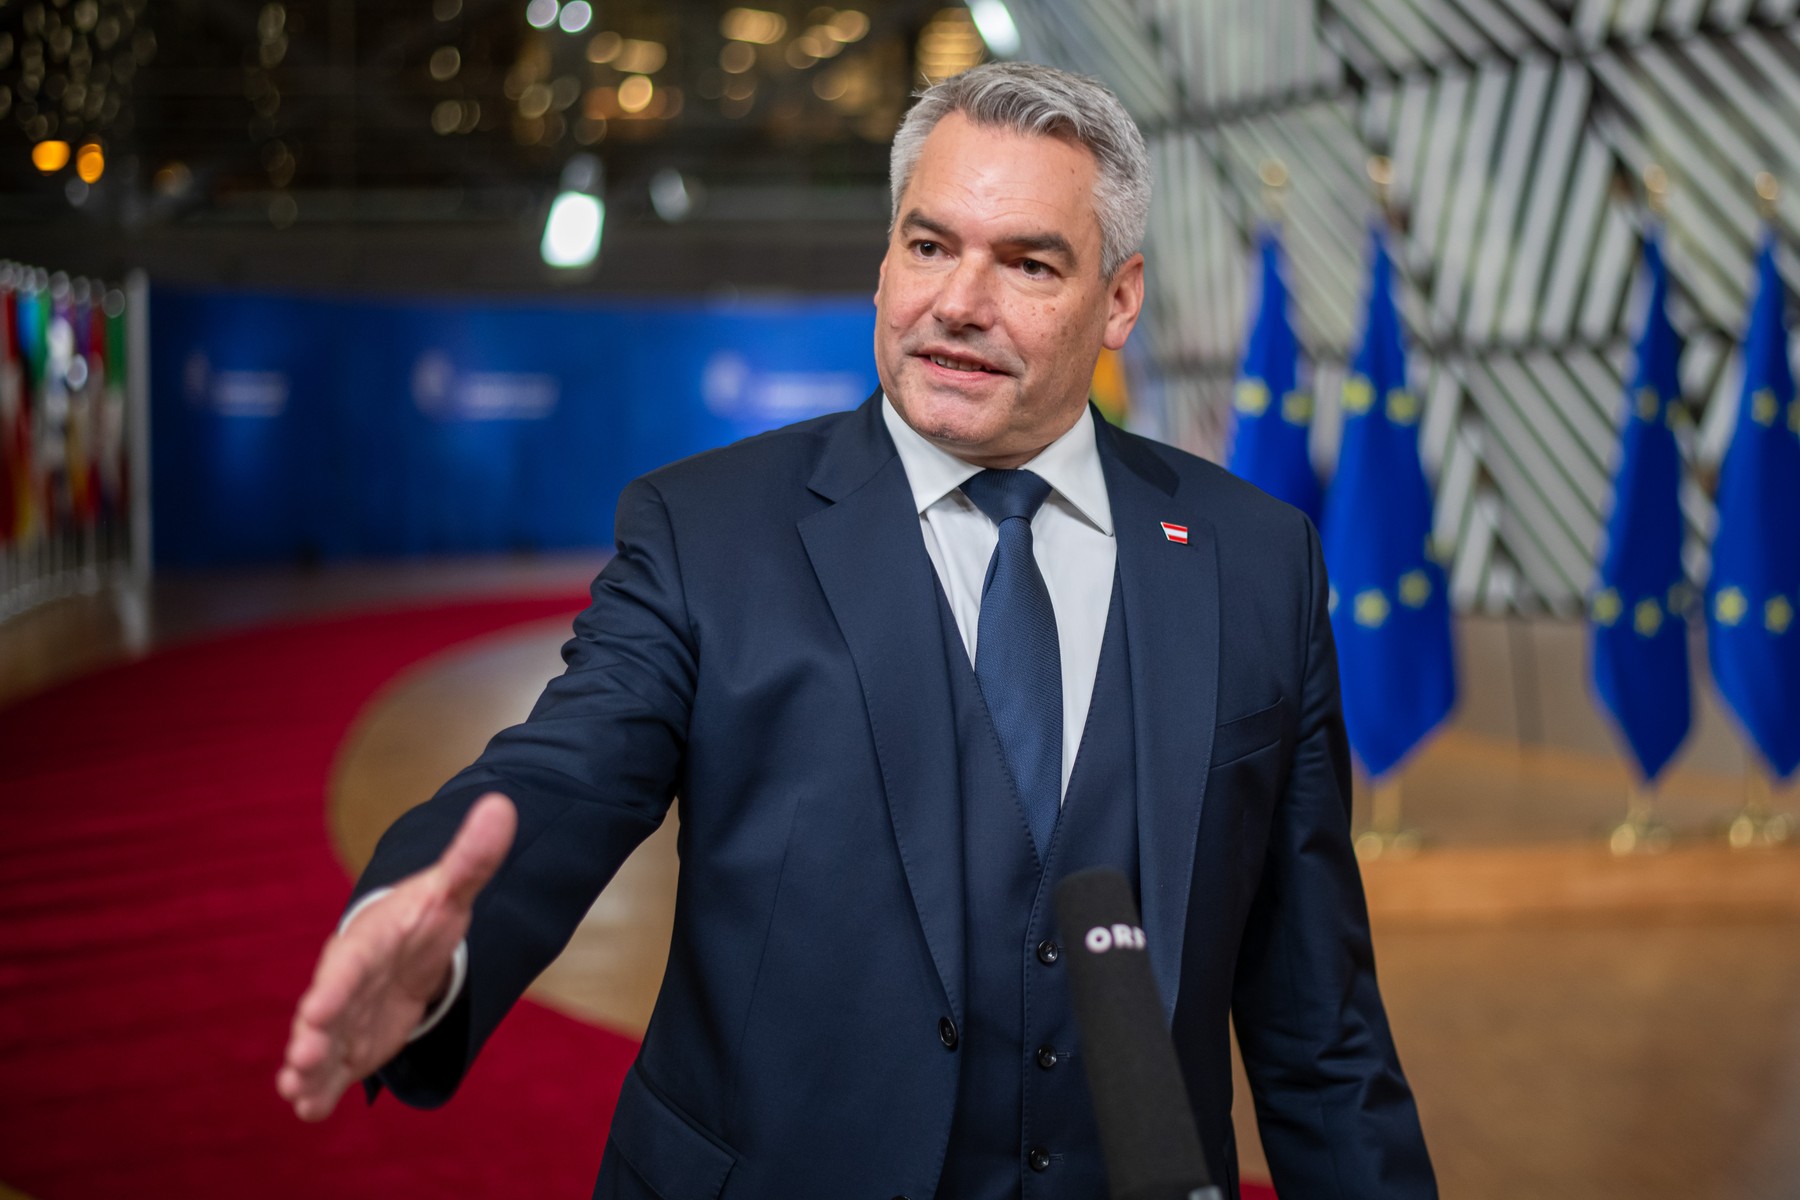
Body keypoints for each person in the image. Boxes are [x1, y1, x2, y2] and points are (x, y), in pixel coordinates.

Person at [278, 62, 1436, 1199]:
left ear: (1120, 298)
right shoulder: (708, 529)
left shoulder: (1254, 561)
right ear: (886, 261)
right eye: (929, 247)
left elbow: (1318, 1023)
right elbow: (569, 770)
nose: (958, 304)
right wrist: (427, 934)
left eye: (1027, 263)